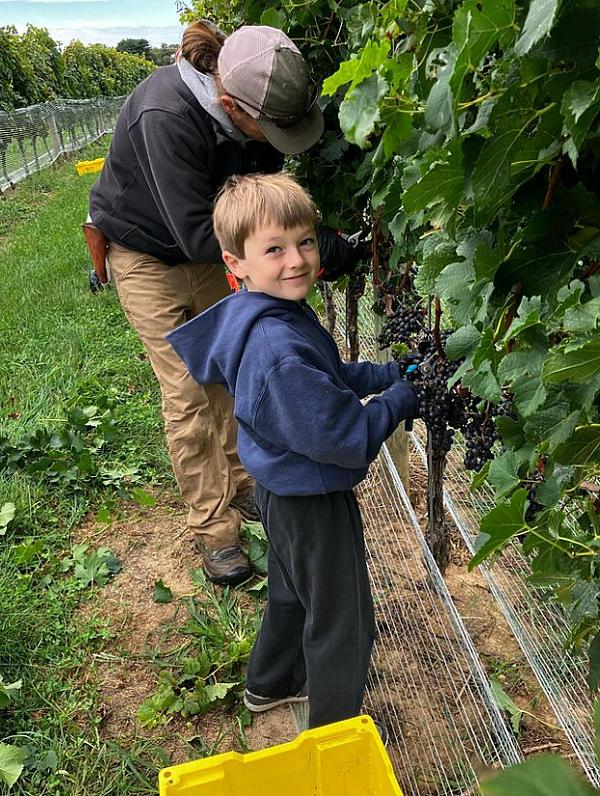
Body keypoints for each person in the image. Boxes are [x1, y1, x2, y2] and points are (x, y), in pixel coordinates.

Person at [88, 22, 361, 586]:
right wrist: (301, 251)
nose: (272, 141)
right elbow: (195, 234)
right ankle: (214, 530)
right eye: (268, 128)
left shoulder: (248, 120)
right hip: (147, 257)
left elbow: (256, 206)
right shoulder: (166, 117)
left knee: (230, 370)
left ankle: (241, 484)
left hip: (216, 254)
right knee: (187, 391)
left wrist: (306, 242)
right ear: (231, 104)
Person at [166, 173, 418, 729]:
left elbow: (323, 376)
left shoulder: (270, 312)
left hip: (280, 492)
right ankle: (333, 733)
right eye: (274, 249)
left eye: (305, 241)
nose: (297, 260)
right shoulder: (276, 346)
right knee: (342, 619)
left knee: (292, 593)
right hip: (312, 501)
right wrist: (400, 400)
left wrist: (383, 374)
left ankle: (271, 685)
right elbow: (345, 436)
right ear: (236, 264)